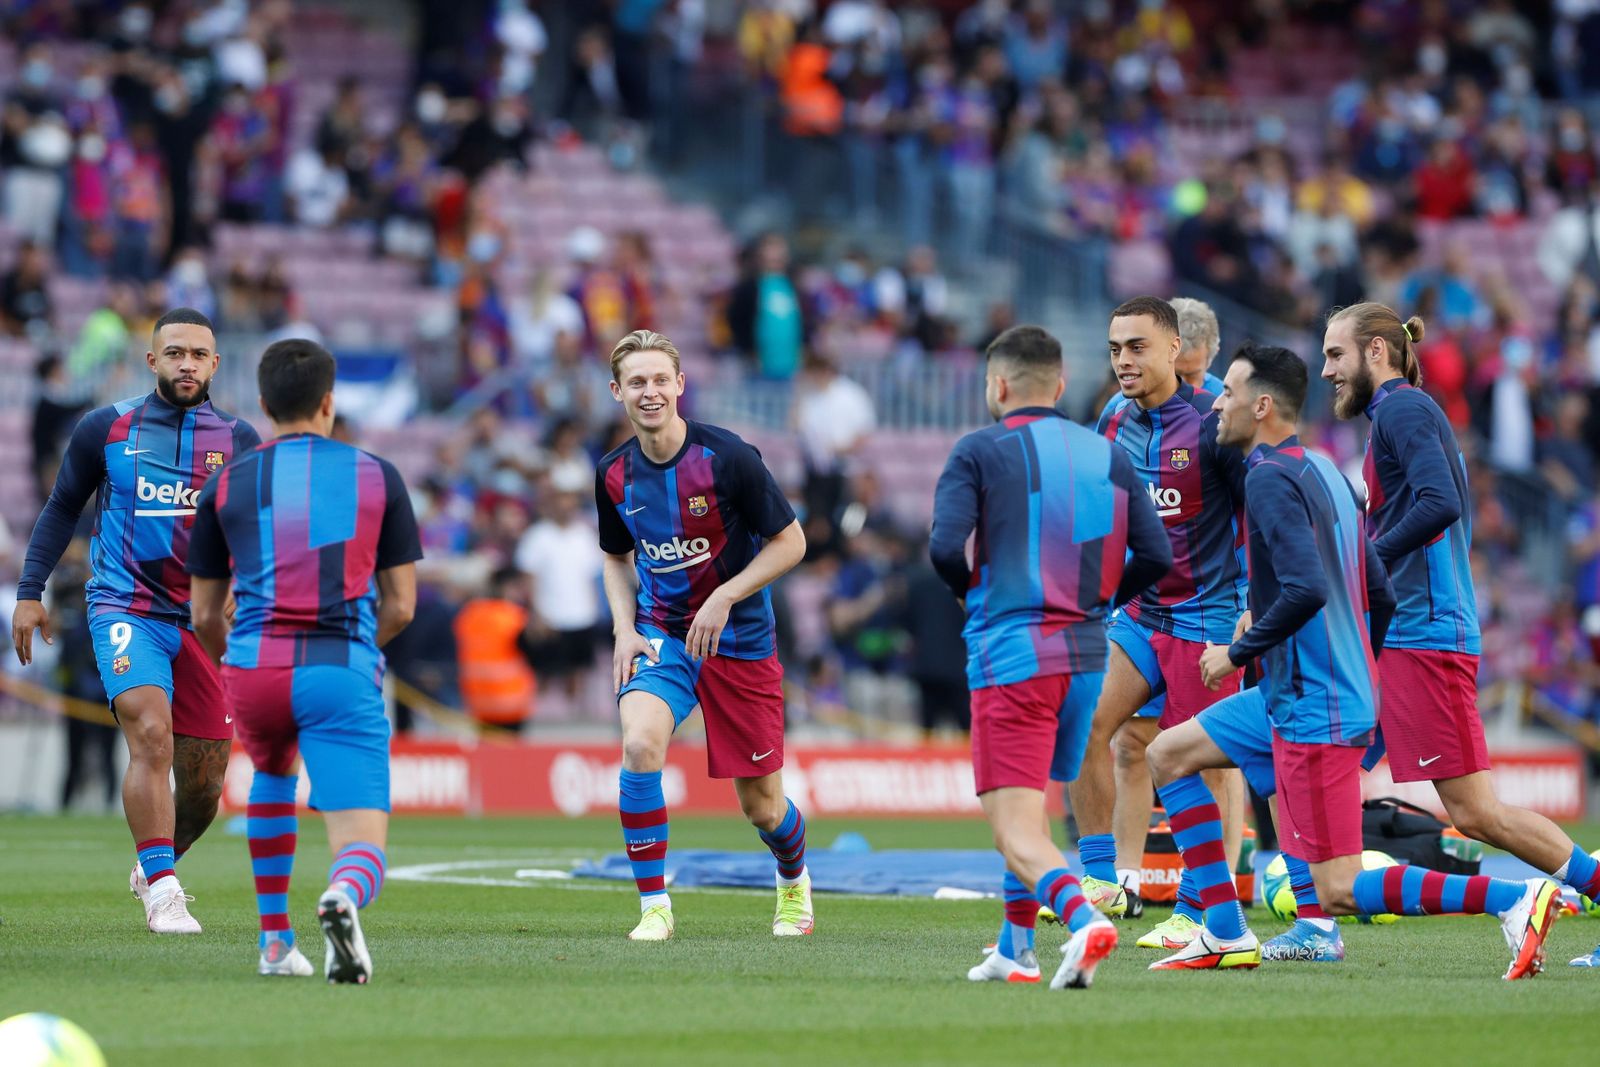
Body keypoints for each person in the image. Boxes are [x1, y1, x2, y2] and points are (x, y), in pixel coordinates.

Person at [1144, 342, 1561, 979]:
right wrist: (1359, 664)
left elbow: (1307, 589)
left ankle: (1511, 898)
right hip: (1304, 692)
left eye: (1226, 394)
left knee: (1337, 885)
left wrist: (1237, 652)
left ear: (1261, 406)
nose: (1216, 406)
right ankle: (1223, 930)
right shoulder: (1324, 471)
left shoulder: (1267, 478)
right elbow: (1380, 591)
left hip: (1313, 702)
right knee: (1167, 754)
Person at [1321, 302, 1600, 968]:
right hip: (1402, 635)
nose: (1326, 369)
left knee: (1476, 813)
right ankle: (1303, 912)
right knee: (1326, 764)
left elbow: (1439, 500)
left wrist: (1367, 562)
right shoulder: (1394, 416)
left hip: (1427, 636)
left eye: (1336, 354)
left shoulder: (1403, 410)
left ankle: (1532, 895)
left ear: (1378, 353)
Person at [930, 325, 1171, 988]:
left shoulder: (978, 450)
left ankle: (1084, 917)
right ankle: (1016, 948)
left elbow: (945, 547)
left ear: (998, 385)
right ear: (1060, 386)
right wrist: (1099, 600)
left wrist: (967, 594)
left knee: (1013, 829)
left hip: (1014, 653)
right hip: (1087, 658)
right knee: (1032, 808)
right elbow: (1157, 555)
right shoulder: (1108, 453)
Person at [12, 308, 258, 934]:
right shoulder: (106, 427)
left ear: (214, 364)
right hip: (125, 607)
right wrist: (29, 590)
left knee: (204, 786)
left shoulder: (239, 440)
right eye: (174, 353)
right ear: (152, 361)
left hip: (201, 622)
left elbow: (257, 529)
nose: (186, 364)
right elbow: (62, 506)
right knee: (150, 731)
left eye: (198, 355)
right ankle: (165, 893)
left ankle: (156, 862)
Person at [187, 338, 421, 982]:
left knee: (272, 769)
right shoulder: (378, 475)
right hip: (337, 664)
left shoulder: (225, 483)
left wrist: (235, 663)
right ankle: (342, 897)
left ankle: (274, 944)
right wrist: (356, 657)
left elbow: (205, 613)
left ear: (263, 405)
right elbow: (401, 605)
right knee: (362, 841)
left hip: (253, 669)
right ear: (328, 403)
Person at [596, 329, 811, 942]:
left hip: (739, 639)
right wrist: (623, 628)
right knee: (639, 745)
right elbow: (615, 557)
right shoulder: (613, 474)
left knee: (762, 808)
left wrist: (725, 593)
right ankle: (654, 907)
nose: (650, 391)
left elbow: (791, 543)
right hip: (663, 634)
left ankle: (793, 877)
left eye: (660, 379)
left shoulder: (730, 458)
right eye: (636, 382)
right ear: (618, 392)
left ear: (680, 385)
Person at [1069, 297, 1249, 953]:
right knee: (1087, 723)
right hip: (1141, 614)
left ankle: (1203, 907)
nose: (1123, 360)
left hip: (1207, 621)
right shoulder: (1114, 418)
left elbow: (1257, 520)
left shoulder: (1213, 424)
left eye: (1137, 346)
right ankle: (1099, 882)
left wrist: (1250, 612)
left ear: (1175, 349)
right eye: (1116, 348)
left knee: (1198, 762)